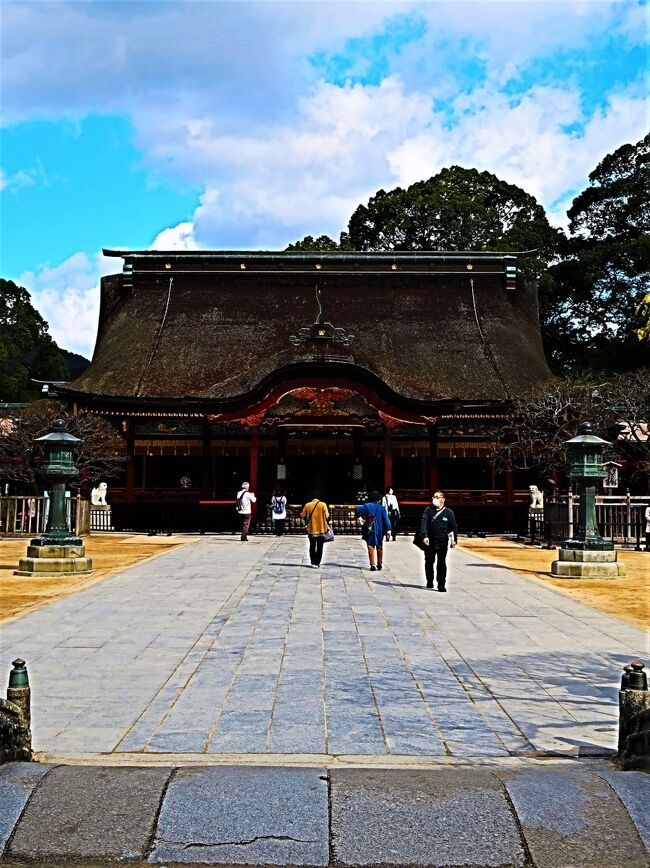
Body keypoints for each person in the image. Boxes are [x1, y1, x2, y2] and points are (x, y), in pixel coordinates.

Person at [420, 490, 458, 591]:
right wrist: (424, 536)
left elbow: (453, 527)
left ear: (443, 499)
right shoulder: (428, 510)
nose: (435, 499)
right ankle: (429, 580)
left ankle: (441, 584)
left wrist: (454, 541)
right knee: (429, 561)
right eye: (434, 497)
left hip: (442, 541)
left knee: (441, 562)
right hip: (430, 540)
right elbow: (424, 524)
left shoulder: (448, 512)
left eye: (437, 497)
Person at [355, 490, 391, 571]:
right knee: (379, 546)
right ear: (379, 499)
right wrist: (389, 530)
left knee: (370, 546)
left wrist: (359, 518)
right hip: (379, 530)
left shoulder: (366, 506)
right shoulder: (382, 508)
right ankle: (380, 563)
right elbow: (386, 520)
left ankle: (372, 565)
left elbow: (357, 509)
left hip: (370, 528)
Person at [301, 494, 330, 567]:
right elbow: (327, 516)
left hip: (311, 529)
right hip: (321, 529)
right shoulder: (323, 504)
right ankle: (317, 563)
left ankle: (313, 562)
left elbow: (302, 515)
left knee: (312, 546)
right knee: (320, 547)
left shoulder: (308, 505)